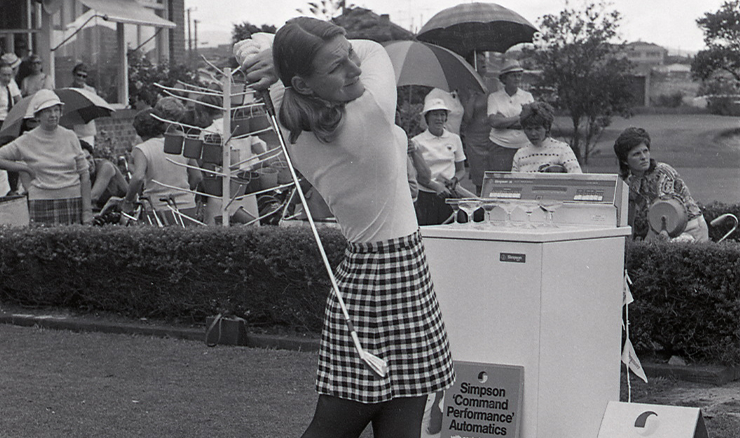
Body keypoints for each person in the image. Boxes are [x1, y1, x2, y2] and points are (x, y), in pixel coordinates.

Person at [240, 17, 454, 438]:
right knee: (333, 428)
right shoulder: (367, 112)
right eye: (336, 66)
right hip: (387, 284)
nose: (353, 68)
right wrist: (271, 58)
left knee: (401, 426)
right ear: (304, 83)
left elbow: (251, 45)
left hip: (385, 279)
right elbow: (375, 50)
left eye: (347, 55)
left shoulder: (292, 111)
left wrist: (265, 57)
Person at [0, 89, 93, 225]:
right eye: (47, 111)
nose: (53, 115)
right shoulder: (27, 139)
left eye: (56, 110)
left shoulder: (70, 136)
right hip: (40, 202)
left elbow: (84, 175)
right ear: (37, 116)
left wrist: (87, 211)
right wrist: (24, 168)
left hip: (72, 201)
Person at [613, 127, 709, 242]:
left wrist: (648, 242)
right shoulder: (630, 183)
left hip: (690, 227)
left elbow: (665, 212)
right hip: (663, 229)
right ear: (625, 161)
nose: (643, 157)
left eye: (645, 151)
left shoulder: (663, 172)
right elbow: (628, 214)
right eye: (636, 154)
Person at [122, 107, 202, 225]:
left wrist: (128, 201)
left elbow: (138, 177)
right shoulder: (180, 144)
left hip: (158, 208)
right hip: (187, 206)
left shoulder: (142, 149)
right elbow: (197, 176)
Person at [197, 93, 268, 225]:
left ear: (203, 113)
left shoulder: (208, 132)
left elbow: (206, 165)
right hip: (246, 187)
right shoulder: (242, 127)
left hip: (220, 189)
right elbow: (264, 158)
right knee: (251, 232)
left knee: (219, 233)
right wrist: (247, 167)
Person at [412, 97, 466, 225]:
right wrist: (434, 186)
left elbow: (461, 170)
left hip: (450, 195)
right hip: (426, 195)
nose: (439, 119)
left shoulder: (454, 139)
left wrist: (454, 180)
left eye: (442, 114)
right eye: (435, 115)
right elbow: (415, 174)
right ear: (427, 118)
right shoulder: (417, 142)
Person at [487, 59, 534, 171]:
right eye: (513, 76)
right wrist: (520, 117)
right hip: (499, 146)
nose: (517, 79)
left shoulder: (527, 96)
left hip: (523, 146)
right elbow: (494, 122)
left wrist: (504, 121)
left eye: (519, 75)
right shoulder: (494, 97)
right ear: (504, 78)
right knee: (500, 182)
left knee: (523, 181)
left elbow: (531, 122)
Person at [512, 102, 582, 173]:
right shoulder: (520, 154)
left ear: (547, 128)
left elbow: (577, 177)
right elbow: (514, 182)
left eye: (537, 129)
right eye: (529, 129)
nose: (533, 133)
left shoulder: (562, 149)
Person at [461, 51, 495, 194]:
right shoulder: (464, 88)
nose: (483, 63)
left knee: (495, 176)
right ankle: (480, 211)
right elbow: (467, 118)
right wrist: (473, 96)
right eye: (479, 60)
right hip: (475, 139)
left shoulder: (494, 83)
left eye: (484, 60)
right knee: (480, 179)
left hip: (493, 137)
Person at [79, 140, 128, 211]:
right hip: (104, 211)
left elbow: (93, 197)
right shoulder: (79, 172)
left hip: (124, 210)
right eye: (83, 161)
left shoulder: (105, 167)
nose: (88, 164)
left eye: (89, 158)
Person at [69, 63, 97, 146]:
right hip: (72, 131)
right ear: (74, 75)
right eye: (79, 75)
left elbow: (93, 109)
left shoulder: (91, 91)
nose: (81, 78)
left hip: (87, 131)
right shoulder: (68, 91)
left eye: (84, 76)